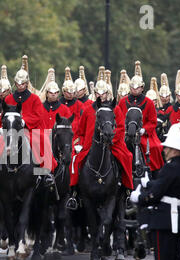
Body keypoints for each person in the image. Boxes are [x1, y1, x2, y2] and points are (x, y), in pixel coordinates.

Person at [130, 122, 180, 260]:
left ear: (173, 149)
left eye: (167, 147)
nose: (164, 150)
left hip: (163, 220)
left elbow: (156, 194)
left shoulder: (171, 167)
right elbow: (165, 186)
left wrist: (138, 197)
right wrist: (151, 183)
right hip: (176, 219)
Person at [67, 68, 134, 209]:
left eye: (103, 93)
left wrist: (112, 140)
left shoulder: (115, 109)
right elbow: (80, 131)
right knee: (74, 160)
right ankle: (73, 192)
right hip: (89, 145)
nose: (101, 96)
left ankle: (128, 190)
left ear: (107, 93)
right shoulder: (87, 110)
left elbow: (121, 128)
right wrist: (78, 144)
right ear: (94, 93)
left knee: (127, 157)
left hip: (112, 143)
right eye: (98, 93)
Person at [2, 67, 58, 186]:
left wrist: (23, 122)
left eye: (23, 83)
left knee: (42, 142)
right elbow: (4, 115)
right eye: (18, 83)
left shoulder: (35, 99)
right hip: (11, 130)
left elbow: (38, 116)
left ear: (27, 83)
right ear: (15, 83)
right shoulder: (8, 99)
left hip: (30, 129)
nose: (20, 85)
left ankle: (46, 171)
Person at [118, 61, 164, 177]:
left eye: (137, 88)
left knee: (155, 148)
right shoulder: (123, 101)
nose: (135, 90)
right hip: (125, 133)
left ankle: (155, 173)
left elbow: (153, 121)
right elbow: (118, 118)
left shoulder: (148, 102)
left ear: (142, 88)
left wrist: (144, 129)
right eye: (132, 88)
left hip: (143, 134)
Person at [60, 67, 84, 135]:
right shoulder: (58, 104)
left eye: (73, 92)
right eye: (68, 92)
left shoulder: (79, 105)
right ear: (63, 91)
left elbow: (82, 121)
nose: (71, 95)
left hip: (75, 134)